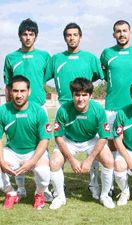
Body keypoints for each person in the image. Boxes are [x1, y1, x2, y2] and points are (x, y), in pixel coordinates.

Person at [45, 22, 104, 199]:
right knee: (61, 146)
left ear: (80, 37)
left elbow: (97, 78)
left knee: (92, 143)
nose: (72, 38)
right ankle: (59, 184)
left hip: (84, 105)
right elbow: (44, 77)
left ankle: (94, 184)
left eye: (75, 34)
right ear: (65, 38)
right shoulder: (56, 59)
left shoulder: (90, 58)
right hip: (65, 107)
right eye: (68, 35)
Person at [3, 18, 52, 201]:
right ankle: (20, 187)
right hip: (15, 108)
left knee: (41, 144)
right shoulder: (10, 58)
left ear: (36, 36)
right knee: (16, 144)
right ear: (19, 36)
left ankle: (45, 187)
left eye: (31, 34)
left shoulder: (44, 56)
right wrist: (9, 108)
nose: (28, 37)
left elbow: (44, 78)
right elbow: (8, 86)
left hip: (38, 107)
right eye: (25, 34)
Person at [49, 78, 114, 209]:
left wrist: (89, 160)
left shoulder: (98, 110)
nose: (80, 99)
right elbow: (58, 137)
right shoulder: (63, 110)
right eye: (77, 95)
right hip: (69, 140)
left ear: (90, 96)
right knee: (54, 162)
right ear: (72, 95)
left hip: (91, 139)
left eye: (84, 95)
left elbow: (103, 137)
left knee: (109, 160)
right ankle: (60, 196)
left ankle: (105, 195)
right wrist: (72, 160)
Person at [100, 20, 132, 198]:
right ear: (113, 34)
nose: (121, 34)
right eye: (118, 31)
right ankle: (110, 185)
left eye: (124, 31)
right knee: (111, 147)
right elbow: (103, 74)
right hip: (112, 107)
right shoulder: (107, 54)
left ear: (130, 32)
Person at [0, 75, 52, 209]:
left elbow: (44, 140)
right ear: (10, 92)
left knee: (43, 172)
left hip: (34, 151)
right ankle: (11, 193)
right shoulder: (2, 110)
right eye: (15, 91)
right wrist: (2, 161)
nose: (18, 95)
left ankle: (39, 194)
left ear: (29, 92)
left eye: (22, 91)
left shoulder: (39, 111)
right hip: (12, 151)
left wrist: (32, 161)